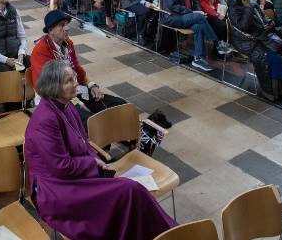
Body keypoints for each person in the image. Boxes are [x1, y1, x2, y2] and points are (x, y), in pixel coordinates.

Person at [24, 59, 176, 240]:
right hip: (56, 190)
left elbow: (83, 142)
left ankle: (168, 234)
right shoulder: (45, 120)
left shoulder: (67, 106)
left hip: (76, 175)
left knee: (132, 192)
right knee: (129, 191)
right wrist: (93, 163)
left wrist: (96, 163)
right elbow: (61, 167)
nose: (75, 83)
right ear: (53, 87)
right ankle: (168, 234)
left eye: (73, 78)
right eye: (69, 81)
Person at [30, 12, 128, 122]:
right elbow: (49, 87)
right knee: (92, 123)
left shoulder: (68, 43)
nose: (67, 28)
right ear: (50, 30)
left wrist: (91, 85)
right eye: (62, 25)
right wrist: (78, 103)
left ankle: (130, 137)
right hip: (55, 100)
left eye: (67, 24)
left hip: (75, 90)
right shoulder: (40, 50)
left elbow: (76, 68)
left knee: (120, 105)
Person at [227, 0, 282, 105]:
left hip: (262, 36)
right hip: (246, 42)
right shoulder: (234, 10)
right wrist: (248, 9)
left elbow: (265, 18)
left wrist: (268, 24)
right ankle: (275, 92)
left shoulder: (253, 4)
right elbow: (243, 27)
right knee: (274, 58)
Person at [162, 0, 219, 72]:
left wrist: (197, 11)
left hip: (185, 15)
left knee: (198, 26)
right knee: (199, 18)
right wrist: (192, 12)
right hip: (172, 16)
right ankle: (217, 43)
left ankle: (198, 58)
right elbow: (172, 6)